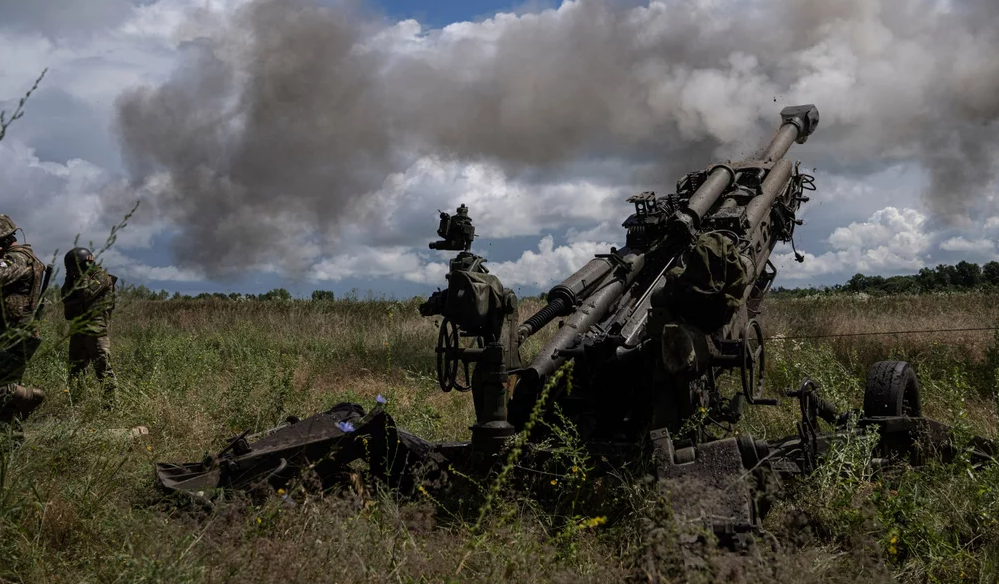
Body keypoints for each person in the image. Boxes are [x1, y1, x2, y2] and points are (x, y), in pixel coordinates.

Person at [0, 214, 47, 424]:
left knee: (4, 386)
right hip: (17, 330)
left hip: (13, 332)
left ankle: (29, 396)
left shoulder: (15, 258)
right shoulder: (25, 257)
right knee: (7, 391)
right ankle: (13, 442)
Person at [62, 247, 118, 401]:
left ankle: (110, 406)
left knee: (103, 368)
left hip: (96, 328)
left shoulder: (101, 276)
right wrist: (69, 278)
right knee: (75, 369)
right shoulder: (75, 279)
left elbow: (86, 293)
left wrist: (82, 275)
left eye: (75, 267)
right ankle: (76, 403)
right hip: (79, 327)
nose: (73, 271)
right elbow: (65, 296)